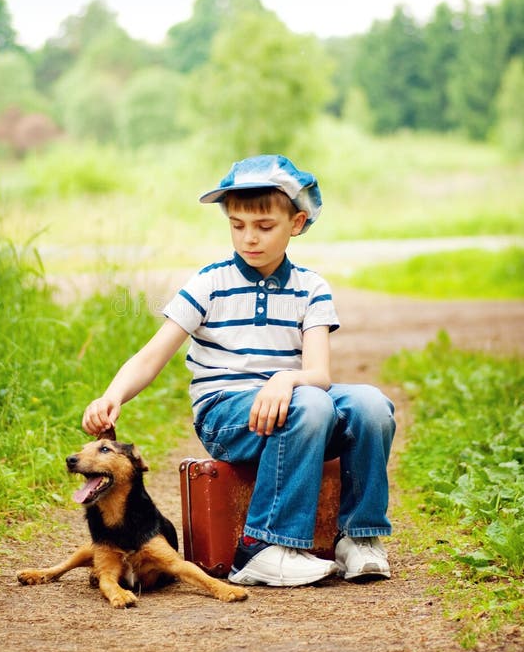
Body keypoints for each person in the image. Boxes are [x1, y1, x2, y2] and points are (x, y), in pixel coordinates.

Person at [82, 154, 395, 588]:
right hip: (229, 416)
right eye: (238, 224)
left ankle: (359, 539)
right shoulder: (210, 283)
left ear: (297, 223)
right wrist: (112, 396)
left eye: (265, 226)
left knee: (369, 403)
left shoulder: (311, 288)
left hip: (301, 405)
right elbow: (151, 356)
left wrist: (285, 378)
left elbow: (318, 373)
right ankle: (265, 548)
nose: (249, 237)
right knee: (309, 403)